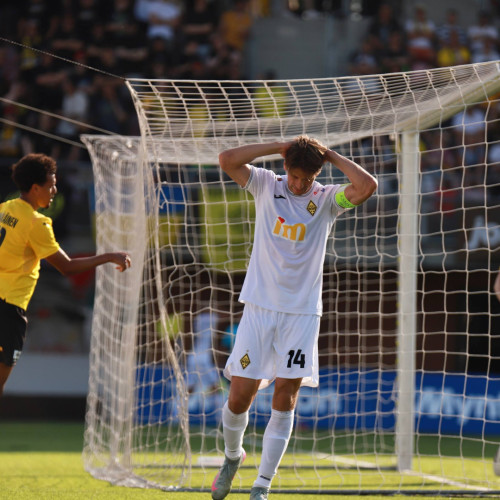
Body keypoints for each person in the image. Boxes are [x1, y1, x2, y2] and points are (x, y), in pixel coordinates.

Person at [211, 136, 377, 500]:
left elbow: (367, 186)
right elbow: (227, 159)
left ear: (317, 174)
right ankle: (232, 457)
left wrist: (329, 155)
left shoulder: (328, 199)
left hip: (301, 314)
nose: (300, 184)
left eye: (307, 178)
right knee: (239, 397)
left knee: (285, 396)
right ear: (286, 167)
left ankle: (262, 485)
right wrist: (279, 146)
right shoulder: (265, 184)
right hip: (259, 307)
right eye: (295, 176)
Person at [0, 153, 131, 397]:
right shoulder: (36, 223)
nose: (54, 190)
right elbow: (67, 267)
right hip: (8, 308)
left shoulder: (5, 208)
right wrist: (108, 256)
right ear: (35, 188)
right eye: (51, 185)